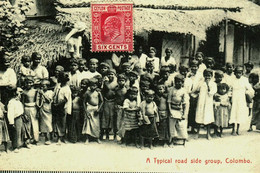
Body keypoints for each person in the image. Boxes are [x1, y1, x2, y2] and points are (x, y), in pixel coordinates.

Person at [229, 66, 254, 135]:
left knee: (239, 113)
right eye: (237, 73)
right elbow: (229, 89)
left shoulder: (245, 80)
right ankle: (233, 129)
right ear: (234, 73)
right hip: (234, 98)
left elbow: (250, 89)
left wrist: (247, 93)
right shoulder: (232, 80)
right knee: (233, 113)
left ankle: (238, 129)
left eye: (240, 73)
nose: (238, 74)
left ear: (242, 73)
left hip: (241, 99)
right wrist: (230, 96)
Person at [195, 69, 217, 140]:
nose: (207, 77)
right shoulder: (200, 83)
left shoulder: (213, 84)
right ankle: (197, 133)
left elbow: (212, 92)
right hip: (201, 102)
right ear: (204, 76)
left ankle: (208, 134)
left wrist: (208, 85)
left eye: (209, 76)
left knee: (208, 117)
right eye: (206, 76)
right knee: (199, 116)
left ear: (211, 76)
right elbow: (196, 89)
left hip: (208, 103)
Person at [167, 75, 189, 147]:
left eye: (180, 82)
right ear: (174, 82)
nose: (178, 83)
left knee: (181, 125)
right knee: (172, 126)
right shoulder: (171, 90)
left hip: (180, 110)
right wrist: (170, 112)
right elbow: (169, 102)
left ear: (182, 83)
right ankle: (171, 140)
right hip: (172, 110)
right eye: (177, 82)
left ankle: (183, 140)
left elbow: (185, 103)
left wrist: (184, 114)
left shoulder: (184, 91)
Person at [7, 88, 30, 153]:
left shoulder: (18, 101)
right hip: (16, 118)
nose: (20, 95)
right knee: (16, 133)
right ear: (15, 94)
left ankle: (24, 143)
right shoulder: (11, 102)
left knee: (24, 131)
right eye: (19, 93)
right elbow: (10, 113)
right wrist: (11, 122)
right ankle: (15, 146)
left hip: (21, 117)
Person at [82, 78, 103, 144]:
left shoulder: (98, 92)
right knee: (88, 124)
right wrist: (86, 111)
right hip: (89, 108)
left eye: (94, 85)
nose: (93, 87)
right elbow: (84, 102)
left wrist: (99, 109)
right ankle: (87, 139)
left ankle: (97, 138)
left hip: (96, 110)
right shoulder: (87, 93)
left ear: (97, 86)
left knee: (96, 125)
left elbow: (102, 101)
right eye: (91, 85)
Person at [52, 72, 72, 145]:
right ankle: (58, 137)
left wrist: (57, 104)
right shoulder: (58, 86)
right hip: (57, 106)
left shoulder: (66, 88)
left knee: (62, 122)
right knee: (57, 121)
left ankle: (62, 137)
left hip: (62, 107)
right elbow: (55, 94)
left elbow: (65, 100)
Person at [22, 76, 39, 145]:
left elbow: (37, 102)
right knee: (27, 124)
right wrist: (23, 112)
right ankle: (28, 139)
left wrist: (37, 111)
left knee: (35, 124)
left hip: (34, 108)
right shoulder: (24, 92)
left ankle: (36, 139)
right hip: (26, 108)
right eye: (27, 83)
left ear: (33, 83)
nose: (29, 84)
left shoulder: (35, 91)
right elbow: (22, 102)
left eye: (30, 83)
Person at [101, 69, 117, 141]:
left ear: (115, 75)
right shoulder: (105, 82)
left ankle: (111, 132)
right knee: (105, 116)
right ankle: (105, 132)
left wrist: (107, 84)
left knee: (112, 117)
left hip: (113, 101)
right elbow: (104, 90)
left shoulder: (116, 83)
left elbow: (113, 91)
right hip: (106, 101)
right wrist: (104, 83)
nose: (110, 75)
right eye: (109, 74)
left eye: (112, 74)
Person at [188, 60, 203, 134]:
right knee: (189, 111)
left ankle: (194, 128)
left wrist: (196, 92)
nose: (194, 68)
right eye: (192, 66)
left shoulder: (200, 75)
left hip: (196, 95)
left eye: (195, 66)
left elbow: (200, 85)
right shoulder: (188, 74)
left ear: (198, 67)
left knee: (195, 111)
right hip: (188, 94)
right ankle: (188, 127)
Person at [36, 80, 53, 145]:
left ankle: (49, 138)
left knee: (48, 124)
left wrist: (43, 94)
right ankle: (46, 138)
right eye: (41, 86)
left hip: (48, 109)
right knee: (43, 125)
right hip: (42, 109)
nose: (42, 88)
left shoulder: (50, 92)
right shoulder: (40, 92)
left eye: (44, 86)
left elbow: (49, 100)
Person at [114, 74, 128, 143]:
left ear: (125, 81)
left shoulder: (127, 89)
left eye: (123, 81)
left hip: (125, 108)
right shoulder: (116, 89)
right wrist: (116, 105)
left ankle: (124, 138)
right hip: (118, 108)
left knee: (124, 123)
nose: (121, 82)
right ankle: (119, 137)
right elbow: (116, 98)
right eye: (119, 81)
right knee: (118, 123)